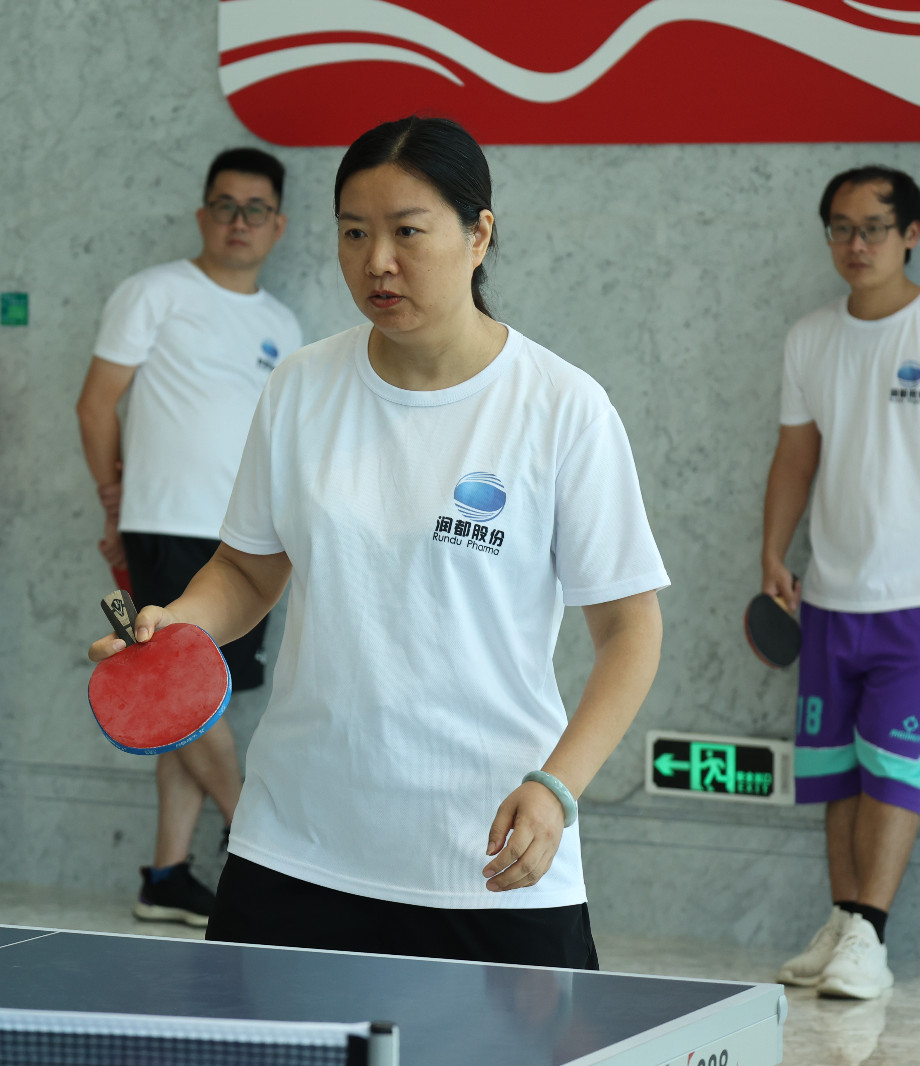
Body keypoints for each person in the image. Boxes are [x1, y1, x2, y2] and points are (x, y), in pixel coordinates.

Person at [89, 116, 666, 968]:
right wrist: (176, 624)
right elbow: (247, 570)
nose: (377, 262)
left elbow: (630, 629)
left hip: (487, 854)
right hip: (295, 844)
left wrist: (557, 787)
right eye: (354, 233)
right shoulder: (300, 385)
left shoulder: (562, 407)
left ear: (479, 235)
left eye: (407, 232)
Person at [75, 148, 303, 926]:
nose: (239, 222)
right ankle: (256, 836)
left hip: (250, 542)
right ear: (203, 214)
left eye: (255, 209)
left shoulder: (283, 325)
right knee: (180, 694)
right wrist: (113, 502)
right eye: (225, 205)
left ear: (277, 225)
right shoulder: (155, 292)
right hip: (168, 524)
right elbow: (95, 404)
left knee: (201, 705)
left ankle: (167, 873)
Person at [765, 167, 920, 1000]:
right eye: (841, 228)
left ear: (910, 233)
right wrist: (774, 552)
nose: (856, 243)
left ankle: (870, 940)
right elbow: (795, 455)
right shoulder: (810, 337)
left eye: (874, 227)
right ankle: (845, 922)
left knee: (894, 768)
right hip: (830, 596)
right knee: (836, 769)